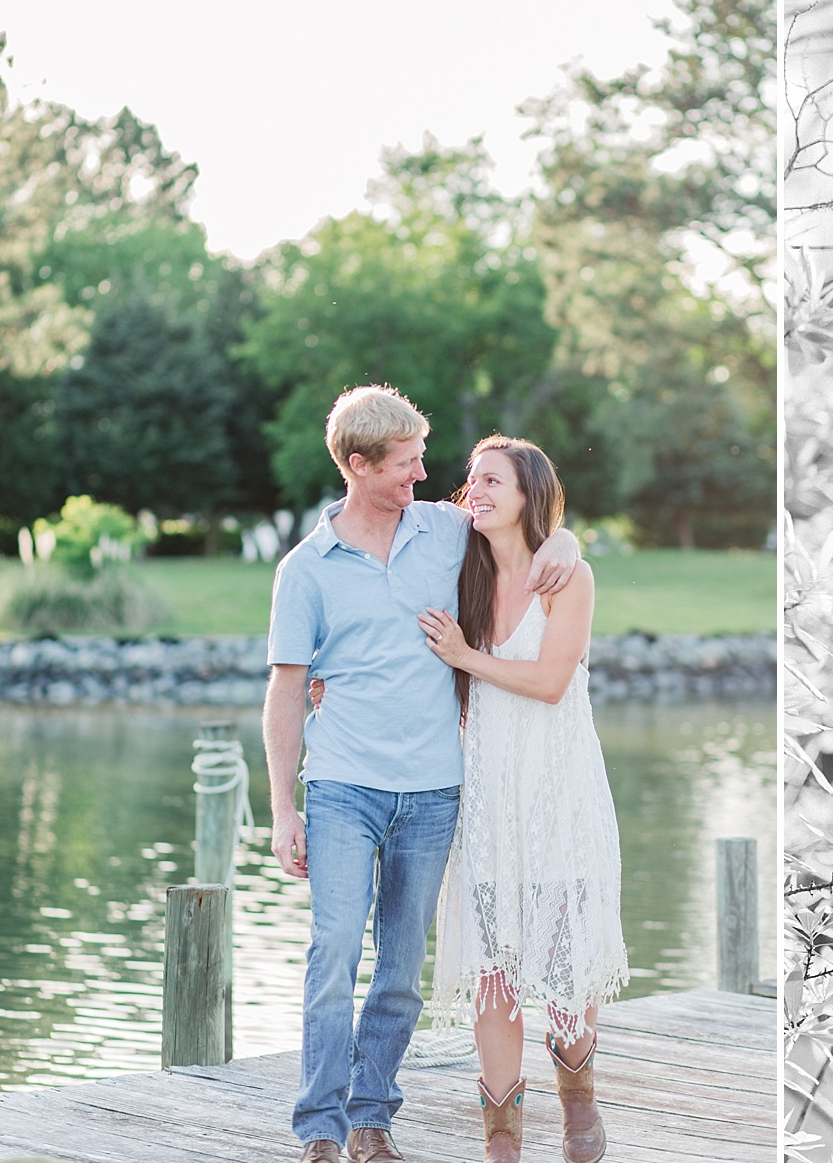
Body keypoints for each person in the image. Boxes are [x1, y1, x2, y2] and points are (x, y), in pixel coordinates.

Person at [264, 386, 577, 1164]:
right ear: (359, 465)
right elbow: (284, 690)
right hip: (341, 785)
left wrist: (566, 547)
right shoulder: (306, 569)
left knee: (401, 970)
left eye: (422, 460)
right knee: (334, 953)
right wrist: (281, 809)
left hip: (435, 791)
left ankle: (373, 1115)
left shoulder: (442, 530)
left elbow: (526, 531)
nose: (424, 475)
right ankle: (321, 1128)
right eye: (406, 465)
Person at [418, 436, 625, 1164]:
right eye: (470, 478)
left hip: (557, 790)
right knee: (494, 969)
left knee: (566, 968)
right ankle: (502, 1138)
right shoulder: (458, 567)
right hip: (487, 795)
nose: (475, 489)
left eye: (492, 480)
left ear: (529, 493)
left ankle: (579, 1099)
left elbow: (549, 682)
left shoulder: (567, 575)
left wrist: (467, 657)